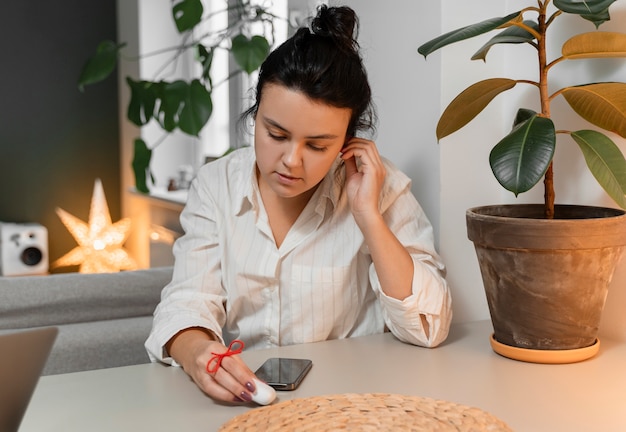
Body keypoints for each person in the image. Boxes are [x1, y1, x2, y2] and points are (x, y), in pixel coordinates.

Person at [145, 4, 452, 404]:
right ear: (255, 115)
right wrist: (199, 355)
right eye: (276, 134)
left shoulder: (380, 186)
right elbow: (187, 301)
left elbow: (427, 327)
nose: (292, 160)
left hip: (354, 405)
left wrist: (368, 217)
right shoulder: (216, 185)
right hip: (245, 404)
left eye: (317, 145)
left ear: (346, 142)